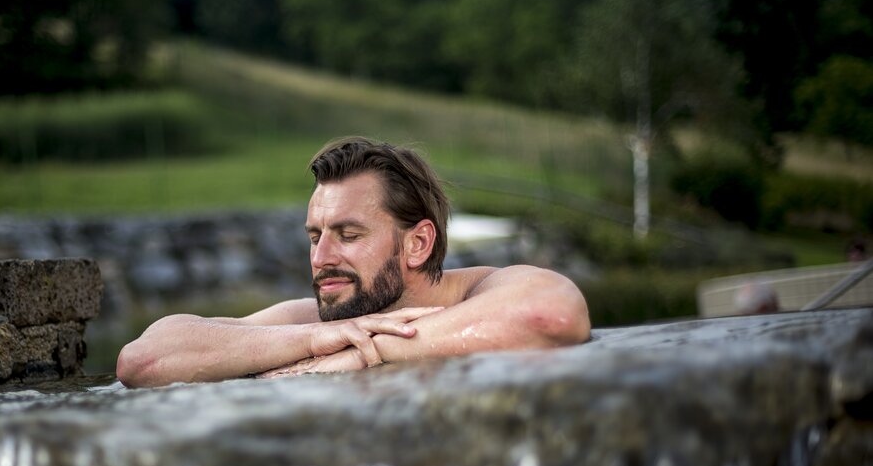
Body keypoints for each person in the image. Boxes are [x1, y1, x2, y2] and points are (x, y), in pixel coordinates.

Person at [116, 136, 591, 388]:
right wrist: (313, 339)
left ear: (418, 245)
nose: (321, 258)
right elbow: (143, 359)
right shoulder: (315, 325)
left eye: (348, 234)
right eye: (315, 236)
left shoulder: (483, 290)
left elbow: (549, 314)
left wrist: (364, 353)